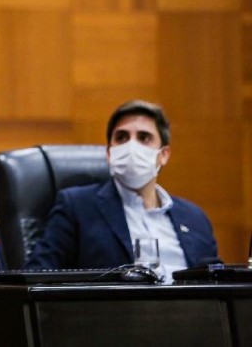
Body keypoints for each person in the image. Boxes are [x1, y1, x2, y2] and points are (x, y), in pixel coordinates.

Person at [25, 100, 218, 281]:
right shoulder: (77, 207)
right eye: (121, 137)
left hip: (190, 313)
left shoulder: (195, 218)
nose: (131, 146)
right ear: (109, 153)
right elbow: (37, 275)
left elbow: (218, 282)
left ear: (163, 155)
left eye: (144, 137)